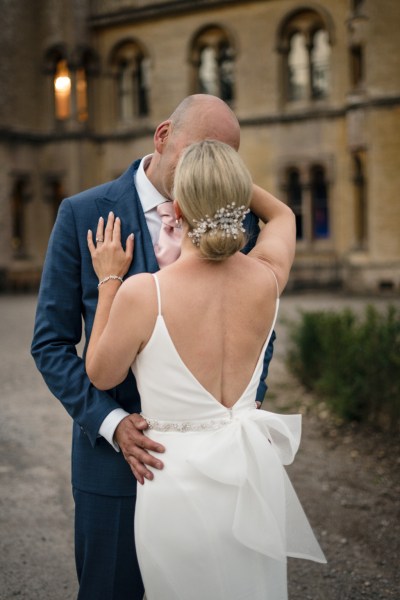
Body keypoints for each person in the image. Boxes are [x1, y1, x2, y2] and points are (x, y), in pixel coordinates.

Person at [31, 94, 275, 600]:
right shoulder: (81, 213)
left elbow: (258, 324)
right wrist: (111, 422)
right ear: (163, 136)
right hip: (114, 467)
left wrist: (243, 409)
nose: (211, 168)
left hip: (215, 467)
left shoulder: (238, 221)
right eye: (201, 151)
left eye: (225, 158)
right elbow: (51, 343)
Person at [85, 140, 326, 600]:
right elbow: (284, 216)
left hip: (172, 485)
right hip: (250, 483)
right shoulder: (267, 278)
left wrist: (109, 279)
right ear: (238, 199)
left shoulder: (142, 292)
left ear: (176, 208)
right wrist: (225, 182)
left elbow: (100, 375)